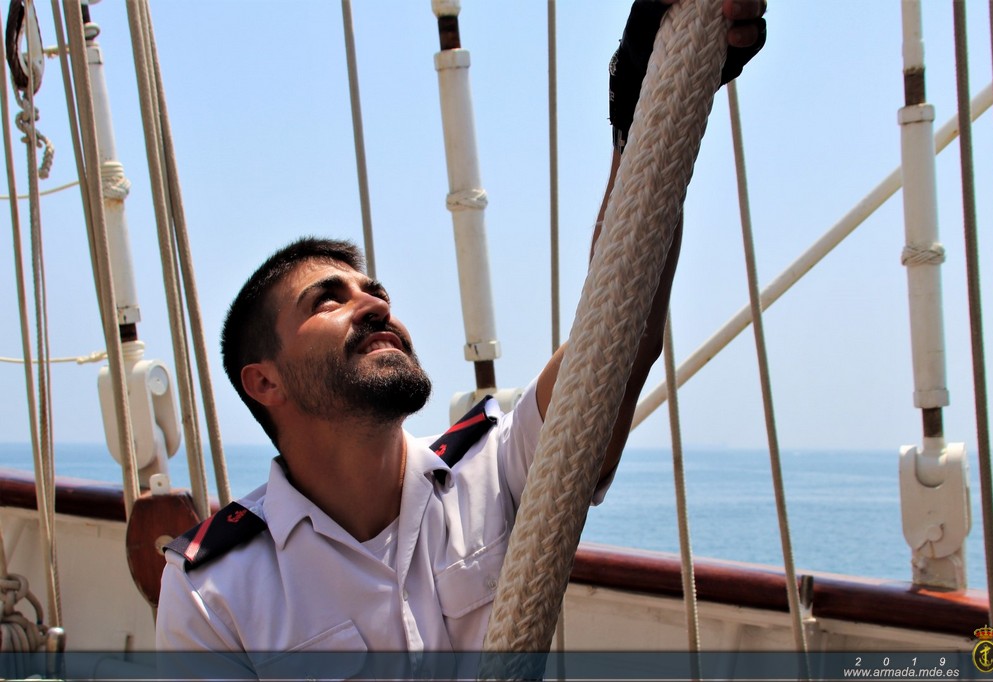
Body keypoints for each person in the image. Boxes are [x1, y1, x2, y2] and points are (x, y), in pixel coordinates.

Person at [155, 1, 766, 678]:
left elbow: (614, 335)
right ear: (264, 380)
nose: (371, 304)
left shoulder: (494, 469)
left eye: (374, 292)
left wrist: (646, 113)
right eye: (328, 300)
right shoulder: (215, 592)